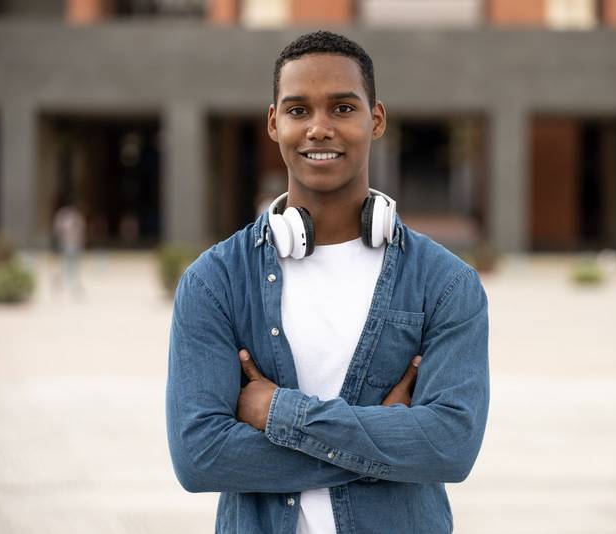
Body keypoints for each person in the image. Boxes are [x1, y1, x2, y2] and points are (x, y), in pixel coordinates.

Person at [166, 31, 489, 534]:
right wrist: (390, 442)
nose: (319, 128)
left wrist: (276, 411)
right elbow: (200, 457)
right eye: (298, 111)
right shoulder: (215, 282)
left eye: (342, 108)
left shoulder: (445, 284)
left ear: (374, 119)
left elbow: (450, 445)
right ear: (273, 123)